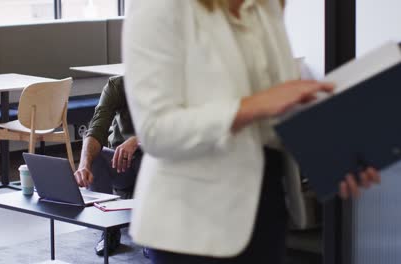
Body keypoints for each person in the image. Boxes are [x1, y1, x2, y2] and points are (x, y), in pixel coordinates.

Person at [122, 0, 380, 263]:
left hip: (266, 204)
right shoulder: (159, 6)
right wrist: (250, 107)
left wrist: (332, 152)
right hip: (192, 223)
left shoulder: (265, 6)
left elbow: (277, 107)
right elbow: (154, 131)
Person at [74, 75, 142, 256]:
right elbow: (96, 129)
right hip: (123, 165)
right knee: (93, 156)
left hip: (158, 161)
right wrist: (84, 164)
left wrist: (137, 141)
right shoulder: (117, 86)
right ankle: (109, 229)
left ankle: (153, 235)